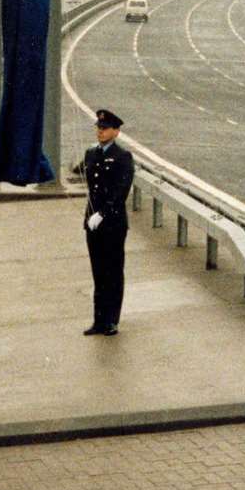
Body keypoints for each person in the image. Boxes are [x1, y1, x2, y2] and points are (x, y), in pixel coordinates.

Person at [82, 108, 135, 336]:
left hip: (112, 223)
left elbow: (120, 191)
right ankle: (98, 320)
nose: (100, 132)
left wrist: (102, 214)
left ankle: (112, 320)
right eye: (98, 128)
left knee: (113, 271)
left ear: (116, 132)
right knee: (98, 272)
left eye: (104, 129)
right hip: (93, 223)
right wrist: (91, 217)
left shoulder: (123, 157)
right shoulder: (91, 154)